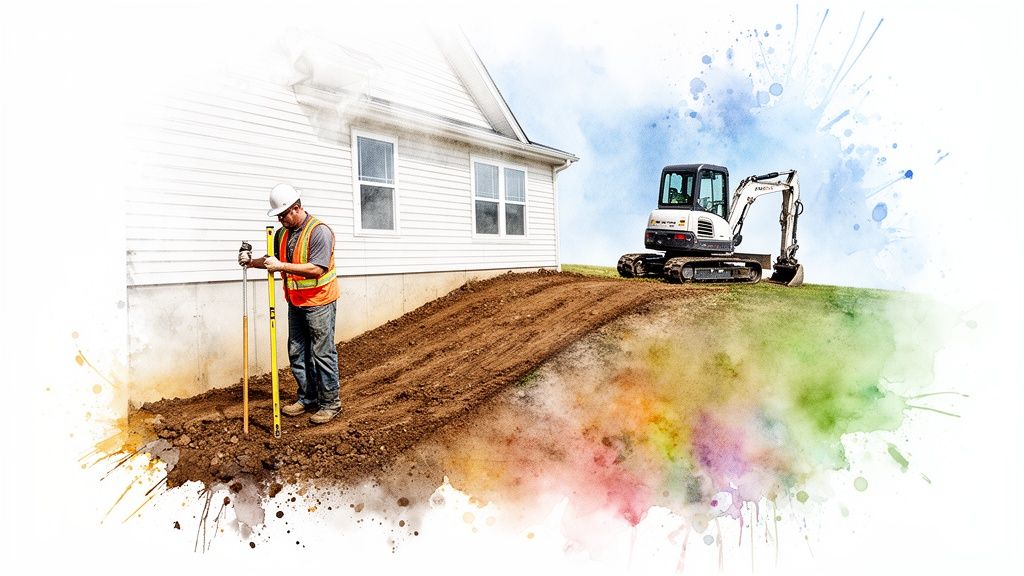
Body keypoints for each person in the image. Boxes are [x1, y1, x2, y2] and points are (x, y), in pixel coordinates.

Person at [239, 183, 341, 425]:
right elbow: (272, 260)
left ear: (296, 208)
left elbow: (317, 268)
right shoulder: (281, 233)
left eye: (284, 214)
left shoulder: (320, 232)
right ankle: (308, 398)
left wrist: (281, 266)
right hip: (295, 302)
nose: (281, 219)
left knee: (322, 353)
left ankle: (330, 403)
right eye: (278, 216)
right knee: (297, 351)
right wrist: (251, 262)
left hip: (319, 301)